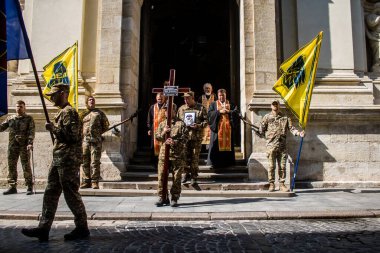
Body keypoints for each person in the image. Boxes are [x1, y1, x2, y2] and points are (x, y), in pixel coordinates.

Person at [21, 83, 89, 242]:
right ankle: (43, 228)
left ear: (64, 93)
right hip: (59, 158)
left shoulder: (69, 112)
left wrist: (54, 129)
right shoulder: (61, 112)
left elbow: (72, 137)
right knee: (50, 192)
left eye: (55, 94)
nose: (51, 97)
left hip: (68, 159)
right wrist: (55, 129)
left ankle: (82, 227)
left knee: (71, 193)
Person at [259, 99, 305, 192]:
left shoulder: (285, 117)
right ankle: (271, 184)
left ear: (279, 106)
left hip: (282, 145)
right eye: (273, 105)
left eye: (276, 104)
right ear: (271, 106)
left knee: (282, 166)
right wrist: (267, 136)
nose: (275, 106)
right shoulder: (267, 117)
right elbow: (261, 130)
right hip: (271, 145)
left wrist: (299, 133)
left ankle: (282, 184)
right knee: (271, 166)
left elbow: (291, 128)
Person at [155, 104, 188, 207]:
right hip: (164, 155)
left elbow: (185, 138)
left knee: (177, 177)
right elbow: (157, 137)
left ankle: (174, 198)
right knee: (161, 176)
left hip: (177, 155)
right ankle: (162, 197)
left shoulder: (181, 124)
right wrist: (164, 132)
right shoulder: (162, 124)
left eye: (169, 110)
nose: (167, 112)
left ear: (174, 111)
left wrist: (175, 142)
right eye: (165, 111)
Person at [0, 100, 35, 195]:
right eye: (17, 106)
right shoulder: (11, 118)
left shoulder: (29, 119)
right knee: (11, 166)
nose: (18, 108)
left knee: (26, 166)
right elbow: (1, 127)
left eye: (21, 107)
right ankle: (12, 186)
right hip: (12, 146)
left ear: (24, 108)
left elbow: (31, 132)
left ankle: (29, 186)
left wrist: (30, 143)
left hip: (24, 146)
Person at [177, 91, 207, 185]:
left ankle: (194, 176)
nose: (186, 100)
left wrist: (198, 125)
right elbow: (177, 122)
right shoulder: (181, 109)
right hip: (184, 137)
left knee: (195, 157)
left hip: (196, 137)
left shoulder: (201, 108)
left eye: (188, 98)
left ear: (193, 98)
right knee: (184, 156)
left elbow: (206, 121)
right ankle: (185, 174)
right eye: (184, 98)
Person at [79, 96, 109, 189]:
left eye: (93, 100)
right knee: (84, 161)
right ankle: (85, 181)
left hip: (96, 141)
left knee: (95, 162)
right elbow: (78, 126)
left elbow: (106, 125)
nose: (91, 101)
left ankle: (94, 181)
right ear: (86, 102)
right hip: (85, 141)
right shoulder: (82, 114)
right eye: (89, 100)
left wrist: (98, 133)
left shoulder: (99, 113)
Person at [207, 89, 238, 169]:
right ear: (218, 95)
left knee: (228, 145)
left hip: (227, 129)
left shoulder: (231, 104)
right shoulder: (213, 104)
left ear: (225, 95)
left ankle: (228, 163)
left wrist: (228, 111)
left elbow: (236, 113)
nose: (221, 97)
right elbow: (210, 114)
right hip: (217, 130)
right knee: (216, 145)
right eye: (220, 95)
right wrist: (219, 112)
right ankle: (215, 163)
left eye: (223, 95)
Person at [147, 92, 167, 165]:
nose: (160, 100)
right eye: (158, 99)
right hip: (154, 129)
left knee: (163, 145)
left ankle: (164, 163)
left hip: (164, 129)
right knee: (154, 146)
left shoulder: (167, 107)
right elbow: (149, 118)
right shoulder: (153, 107)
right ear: (156, 99)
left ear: (164, 99)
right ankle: (154, 163)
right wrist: (149, 128)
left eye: (161, 99)